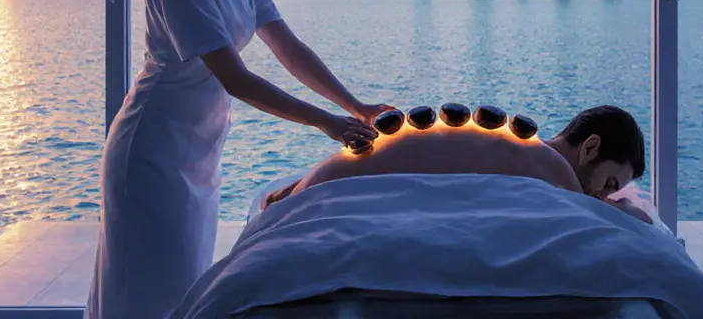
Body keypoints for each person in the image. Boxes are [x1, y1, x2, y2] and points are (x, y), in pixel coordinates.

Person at [86, 0, 393, 319]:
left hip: (197, 154)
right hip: (152, 154)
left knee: (185, 294)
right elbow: (235, 79)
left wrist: (356, 106)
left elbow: (289, 50)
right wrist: (328, 124)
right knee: (147, 297)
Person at [269, 105, 653, 223]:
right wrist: (627, 210)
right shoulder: (556, 172)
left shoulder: (531, 153)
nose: (603, 195)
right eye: (610, 183)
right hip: (326, 190)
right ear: (590, 147)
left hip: (327, 181)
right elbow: (632, 223)